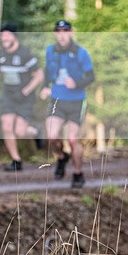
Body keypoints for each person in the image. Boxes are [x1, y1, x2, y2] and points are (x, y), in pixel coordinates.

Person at [39, 20, 95, 189]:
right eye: (58, 31)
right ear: (55, 34)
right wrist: (44, 87)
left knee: (72, 139)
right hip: (57, 99)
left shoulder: (80, 53)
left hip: (76, 101)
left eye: (65, 31)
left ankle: (78, 173)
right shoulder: (50, 51)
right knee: (51, 136)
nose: (62, 34)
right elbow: (48, 72)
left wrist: (77, 83)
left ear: (70, 33)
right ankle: (62, 157)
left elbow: (90, 76)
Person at [0, 23, 44, 172]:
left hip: (25, 97)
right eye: (2, 37)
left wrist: (26, 91)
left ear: (14, 37)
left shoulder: (25, 54)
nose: (4, 39)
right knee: (6, 126)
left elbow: (39, 76)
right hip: (8, 96)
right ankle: (16, 160)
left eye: (7, 36)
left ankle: (35, 131)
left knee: (20, 131)